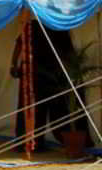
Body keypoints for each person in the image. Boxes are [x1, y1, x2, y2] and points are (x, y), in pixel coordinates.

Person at [10, 21, 90, 151]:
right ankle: (30, 143)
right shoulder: (32, 26)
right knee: (33, 110)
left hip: (54, 75)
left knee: (57, 109)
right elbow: (20, 44)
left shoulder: (60, 25)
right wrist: (13, 64)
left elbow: (68, 51)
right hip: (34, 74)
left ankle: (60, 140)